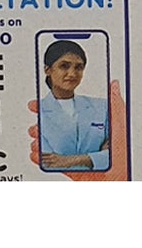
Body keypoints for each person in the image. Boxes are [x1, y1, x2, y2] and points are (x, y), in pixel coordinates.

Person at [37, 37, 111, 170]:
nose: (72, 74)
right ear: (47, 70)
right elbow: (48, 164)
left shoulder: (102, 107)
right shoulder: (37, 111)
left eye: (78, 67)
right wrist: (96, 158)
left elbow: (117, 154)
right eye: (64, 66)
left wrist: (69, 160)